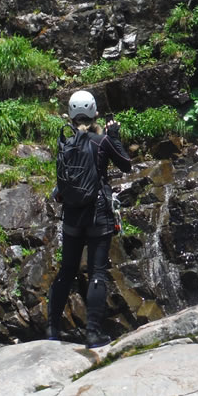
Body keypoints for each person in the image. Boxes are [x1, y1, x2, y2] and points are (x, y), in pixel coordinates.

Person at [46, 90, 132, 349]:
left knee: (66, 271)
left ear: (70, 116)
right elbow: (126, 164)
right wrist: (114, 137)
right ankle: (92, 334)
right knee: (97, 273)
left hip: (72, 216)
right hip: (98, 215)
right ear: (95, 112)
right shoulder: (101, 141)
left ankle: (52, 330)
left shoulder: (65, 142)